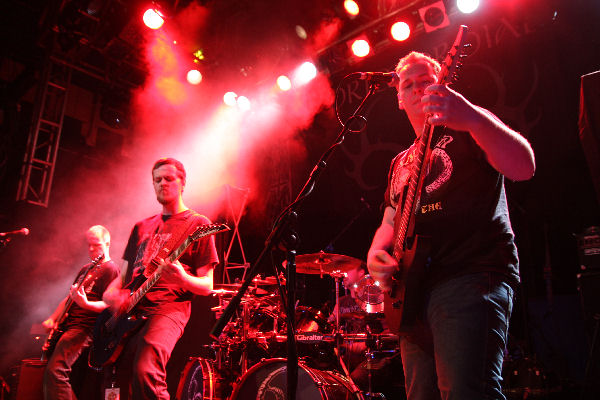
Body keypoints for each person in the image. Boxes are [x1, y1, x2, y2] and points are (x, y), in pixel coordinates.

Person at [366, 51, 536, 400]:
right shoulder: (400, 162)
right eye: (408, 85)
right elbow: (390, 218)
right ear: (398, 99)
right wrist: (375, 253)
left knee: (466, 392)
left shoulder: (469, 126)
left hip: (469, 275)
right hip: (412, 294)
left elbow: (524, 166)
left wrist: (471, 116)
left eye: (425, 81)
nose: (417, 89)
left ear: (442, 84)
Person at [102, 157, 219, 400]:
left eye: (168, 178)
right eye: (157, 180)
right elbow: (123, 276)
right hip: (130, 313)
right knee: (120, 380)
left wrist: (182, 278)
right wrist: (112, 293)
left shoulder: (198, 224)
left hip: (168, 309)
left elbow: (207, 285)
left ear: (182, 183)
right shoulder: (141, 226)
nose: (162, 184)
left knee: (146, 371)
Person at [43, 225, 120, 400]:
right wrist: (53, 318)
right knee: (53, 374)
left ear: (107, 244)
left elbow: (110, 306)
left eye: (96, 245)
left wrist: (85, 304)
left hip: (85, 328)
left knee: (56, 372)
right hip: (70, 326)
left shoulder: (111, 269)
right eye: (89, 245)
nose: (91, 249)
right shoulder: (86, 269)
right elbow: (69, 298)